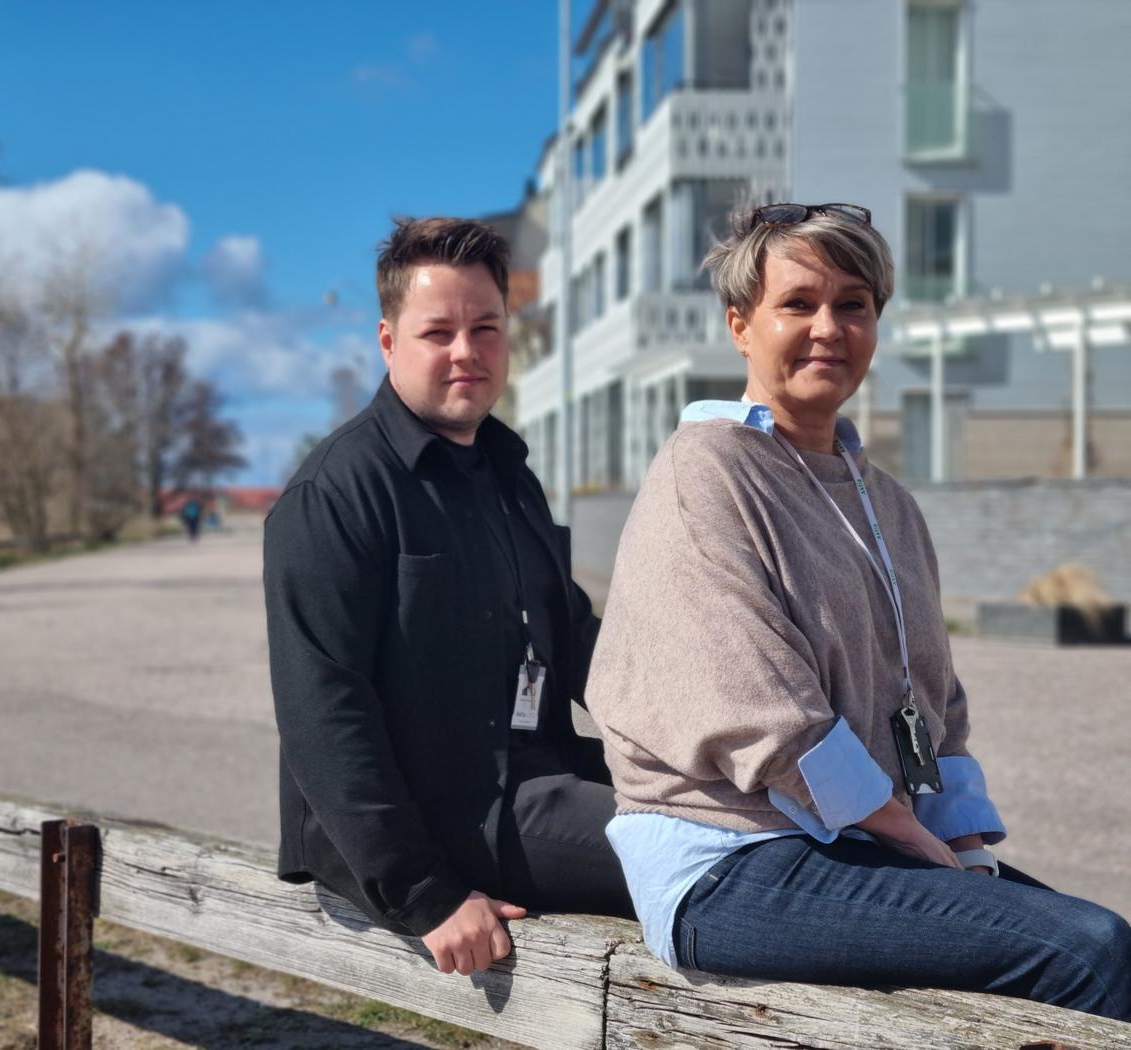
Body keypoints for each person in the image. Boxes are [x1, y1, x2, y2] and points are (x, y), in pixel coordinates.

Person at [586, 203, 1131, 1020]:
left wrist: (969, 850)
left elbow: (935, 705)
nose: (828, 328)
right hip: (729, 858)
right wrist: (913, 839)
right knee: (1087, 953)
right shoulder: (705, 474)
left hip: (856, 845)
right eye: (797, 304)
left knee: (1095, 943)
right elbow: (755, 712)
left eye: (854, 305)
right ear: (740, 325)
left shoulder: (889, 503)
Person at [264, 217, 633, 978]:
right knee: (701, 851)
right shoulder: (335, 493)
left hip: (536, 775)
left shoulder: (508, 474)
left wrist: (707, 746)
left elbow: (576, 639)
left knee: (733, 811)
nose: (466, 351)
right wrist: (425, 895)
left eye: (485, 328)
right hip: (444, 817)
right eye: (439, 332)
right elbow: (322, 712)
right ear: (388, 340)